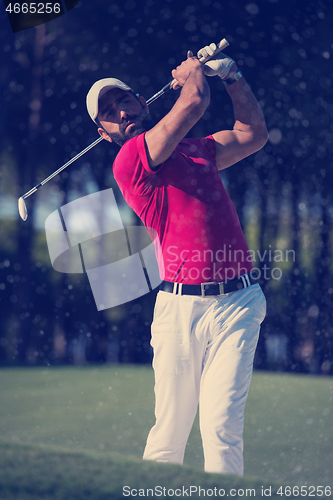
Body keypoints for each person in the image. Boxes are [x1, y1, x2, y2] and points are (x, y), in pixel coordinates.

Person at [86, 43, 268, 477]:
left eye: (123, 100)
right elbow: (194, 102)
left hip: (238, 304)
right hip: (180, 309)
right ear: (104, 133)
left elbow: (252, 134)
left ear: (139, 100)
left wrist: (233, 77)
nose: (122, 112)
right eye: (109, 113)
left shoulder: (198, 149)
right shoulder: (129, 160)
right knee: (170, 433)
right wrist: (193, 74)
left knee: (222, 428)